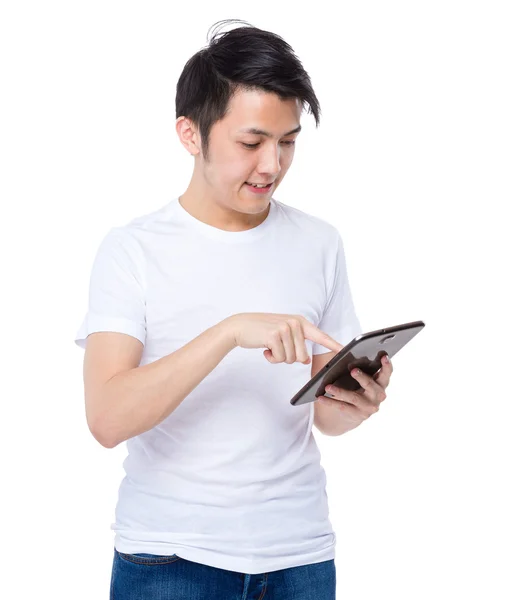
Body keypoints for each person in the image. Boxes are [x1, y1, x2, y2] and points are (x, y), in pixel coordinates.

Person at [74, 19, 392, 600]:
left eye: (288, 141)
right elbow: (107, 418)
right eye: (251, 143)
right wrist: (228, 332)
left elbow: (323, 418)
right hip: (170, 560)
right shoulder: (133, 250)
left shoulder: (319, 243)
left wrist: (355, 402)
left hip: (300, 556)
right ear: (190, 134)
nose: (272, 164)